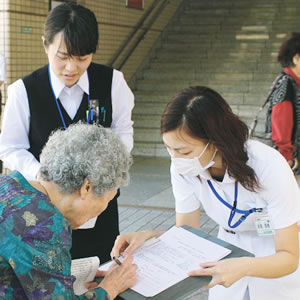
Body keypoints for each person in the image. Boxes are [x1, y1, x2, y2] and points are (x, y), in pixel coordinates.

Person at [111, 86, 300, 300]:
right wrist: (150, 237)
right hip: (227, 248)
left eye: (184, 151)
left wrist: (244, 266)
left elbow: (289, 257)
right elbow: (187, 235)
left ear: (215, 143)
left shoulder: (268, 166)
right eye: (169, 148)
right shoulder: (184, 168)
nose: (175, 158)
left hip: (273, 251)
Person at [0, 3, 134, 263]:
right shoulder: (23, 90)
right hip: (42, 215)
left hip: (99, 208)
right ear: (45, 45)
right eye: (62, 56)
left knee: (102, 273)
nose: (71, 67)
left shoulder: (113, 82)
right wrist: (45, 178)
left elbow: (123, 133)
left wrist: (105, 173)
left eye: (82, 58)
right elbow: (10, 148)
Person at [0, 123, 136, 299]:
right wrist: (109, 288)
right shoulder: (46, 224)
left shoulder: (8, 184)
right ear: (86, 188)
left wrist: (58, 277)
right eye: (107, 200)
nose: (103, 209)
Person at [266, 32, 300, 176]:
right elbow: (281, 125)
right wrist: (287, 158)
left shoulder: (294, 83)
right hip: (287, 162)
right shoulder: (285, 84)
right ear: (297, 58)